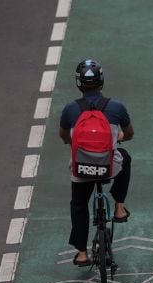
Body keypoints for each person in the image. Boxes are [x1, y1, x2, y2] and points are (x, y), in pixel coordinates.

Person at [59, 59, 134, 267]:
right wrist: (118, 137)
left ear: (78, 83)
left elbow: (64, 135)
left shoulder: (70, 109)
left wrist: (75, 143)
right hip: (107, 167)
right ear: (101, 81)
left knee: (79, 204)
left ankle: (82, 253)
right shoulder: (116, 107)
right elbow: (129, 133)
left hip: (81, 168)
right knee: (125, 157)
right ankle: (119, 207)